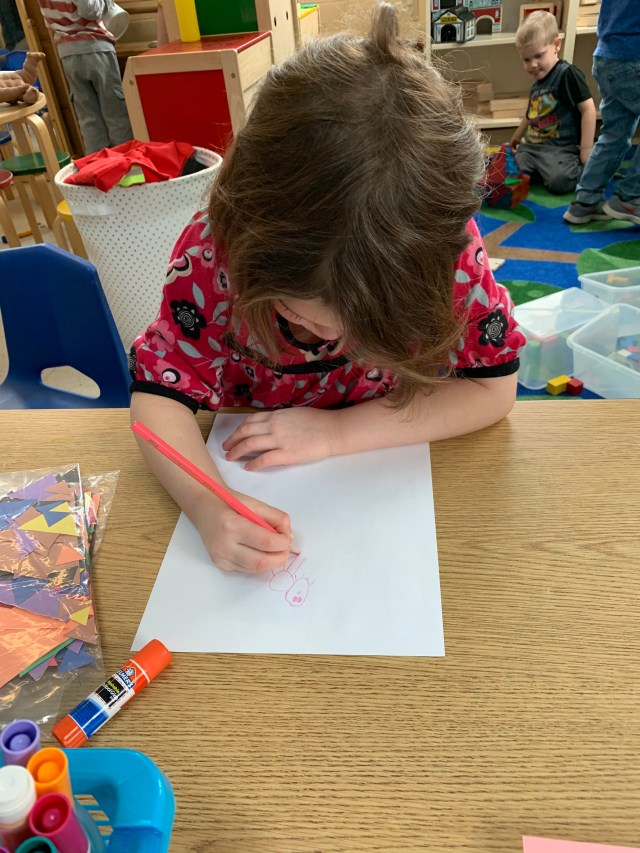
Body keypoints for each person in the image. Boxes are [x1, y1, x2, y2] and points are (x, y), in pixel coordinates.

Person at [129, 1, 525, 576]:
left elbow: (493, 389)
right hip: (249, 450)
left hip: (388, 471)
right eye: (303, 317)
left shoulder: (448, 255)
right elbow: (157, 396)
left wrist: (340, 433)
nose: (335, 339)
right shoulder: (213, 253)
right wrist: (208, 503)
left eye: (370, 329)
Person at [564, 0, 640, 225]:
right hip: (632, 58)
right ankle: (632, 196)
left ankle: (585, 202)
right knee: (615, 133)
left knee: (614, 134)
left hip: (607, 57)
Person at [510, 10, 596, 196]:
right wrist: (517, 135)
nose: (532, 64)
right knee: (511, 171)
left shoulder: (567, 74)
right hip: (531, 148)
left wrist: (586, 150)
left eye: (539, 56)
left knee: (560, 182)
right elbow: (530, 114)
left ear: (556, 45)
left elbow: (588, 110)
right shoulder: (536, 84)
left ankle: (581, 168)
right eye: (526, 59)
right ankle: (539, 172)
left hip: (559, 150)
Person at [36, 0, 132, 153]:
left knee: (88, 117)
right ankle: (126, 160)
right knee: (115, 111)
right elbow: (89, 10)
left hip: (67, 52)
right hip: (95, 47)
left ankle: (97, 164)